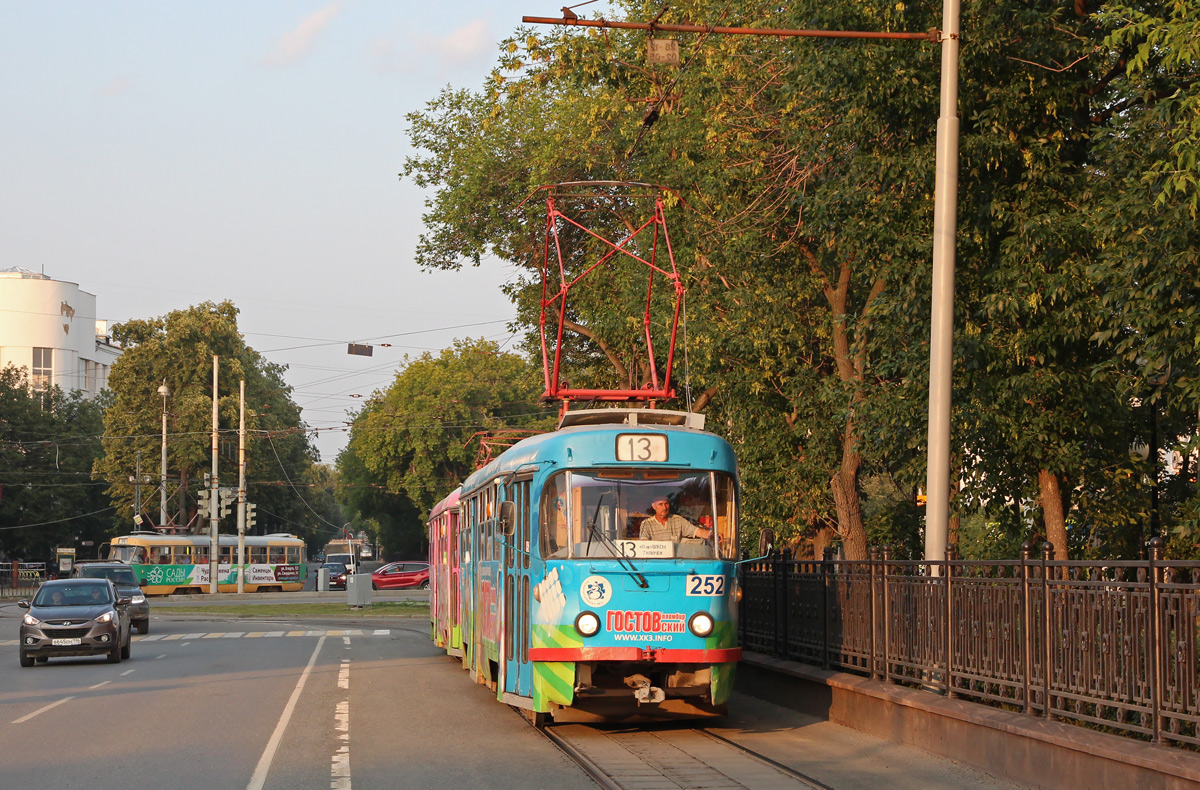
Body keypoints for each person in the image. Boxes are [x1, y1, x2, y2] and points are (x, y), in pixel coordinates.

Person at [639, 497, 712, 542]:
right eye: (660, 504)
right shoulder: (646, 523)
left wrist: (713, 535)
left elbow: (696, 531)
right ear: (653, 506)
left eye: (666, 504)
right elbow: (644, 544)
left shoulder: (678, 520)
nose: (664, 507)